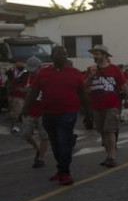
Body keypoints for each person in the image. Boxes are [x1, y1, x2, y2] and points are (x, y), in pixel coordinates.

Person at [23, 47, 91, 185]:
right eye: (59, 54)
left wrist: (89, 114)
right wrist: (25, 108)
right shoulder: (43, 73)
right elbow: (34, 92)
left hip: (68, 113)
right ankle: (61, 170)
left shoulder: (75, 73)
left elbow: (82, 95)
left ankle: (65, 173)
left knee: (63, 142)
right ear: (52, 56)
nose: (63, 56)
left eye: (65, 54)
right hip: (48, 114)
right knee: (55, 144)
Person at [85, 45, 128, 168]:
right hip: (97, 105)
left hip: (112, 105)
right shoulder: (90, 69)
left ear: (104, 55)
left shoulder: (114, 69)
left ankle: (112, 156)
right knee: (102, 132)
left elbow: (123, 86)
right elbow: (85, 87)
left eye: (97, 54)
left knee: (109, 130)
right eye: (94, 54)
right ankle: (108, 155)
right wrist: (91, 76)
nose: (95, 56)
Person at [21, 56, 48, 168]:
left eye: (34, 70)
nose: (32, 72)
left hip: (43, 111)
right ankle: (37, 148)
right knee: (26, 134)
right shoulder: (28, 77)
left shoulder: (45, 77)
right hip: (30, 110)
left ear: (39, 67)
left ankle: (40, 158)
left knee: (44, 136)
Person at [7, 60, 28, 134]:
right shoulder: (12, 73)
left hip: (22, 95)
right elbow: (10, 84)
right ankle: (14, 126)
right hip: (16, 95)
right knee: (15, 112)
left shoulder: (25, 73)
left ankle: (20, 125)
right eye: (18, 65)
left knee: (22, 112)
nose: (20, 66)